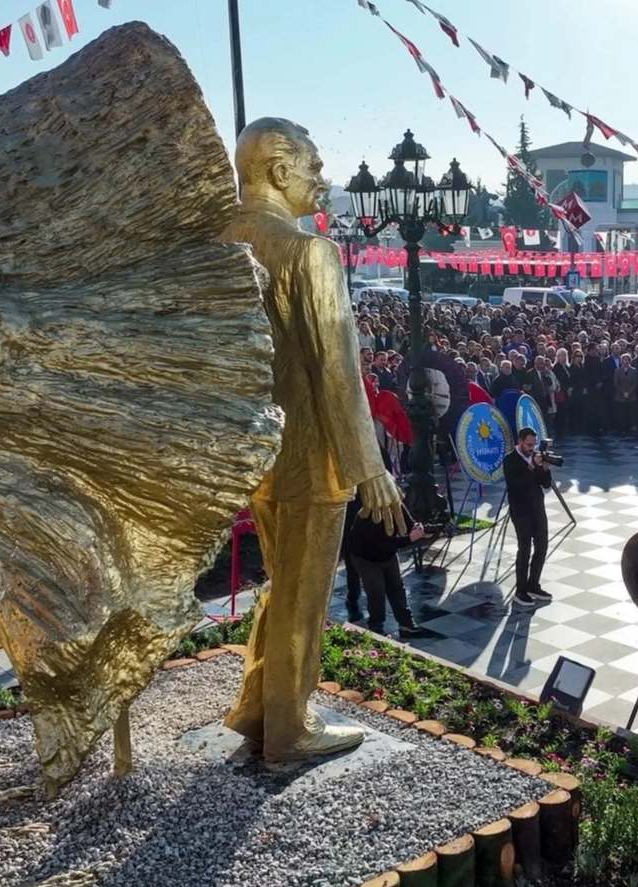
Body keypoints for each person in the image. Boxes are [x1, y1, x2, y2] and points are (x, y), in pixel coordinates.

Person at [219, 118, 403, 761]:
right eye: (313, 167)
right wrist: (368, 464)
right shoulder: (307, 251)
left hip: (255, 450)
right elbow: (336, 368)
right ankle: (291, 727)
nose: (322, 180)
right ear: (278, 171)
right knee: (304, 595)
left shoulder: (220, 243)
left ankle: (257, 705)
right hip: (311, 452)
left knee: (281, 580)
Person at [344, 491, 426, 638]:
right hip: (365, 557)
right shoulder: (368, 515)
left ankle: (406, 624)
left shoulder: (396, 505)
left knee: (397, 587)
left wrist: (416, 528)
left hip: (387, 554)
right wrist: (410, 539)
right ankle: (376, 626)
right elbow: (384, 543)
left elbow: (408, 523)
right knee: (376, 592)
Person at [503, 427, 553, 609]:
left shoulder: (536, 456)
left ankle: (534, 584)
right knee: (524, 548)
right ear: (520, 441)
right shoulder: (510, 460)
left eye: (534, 445)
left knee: (542, 546)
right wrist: (531, 466)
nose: (532, 448)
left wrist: (544, 469)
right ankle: (520, 590)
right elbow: (516, 485)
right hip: (521, 510)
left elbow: (546, 484)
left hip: (537, 508)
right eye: (528, 444)